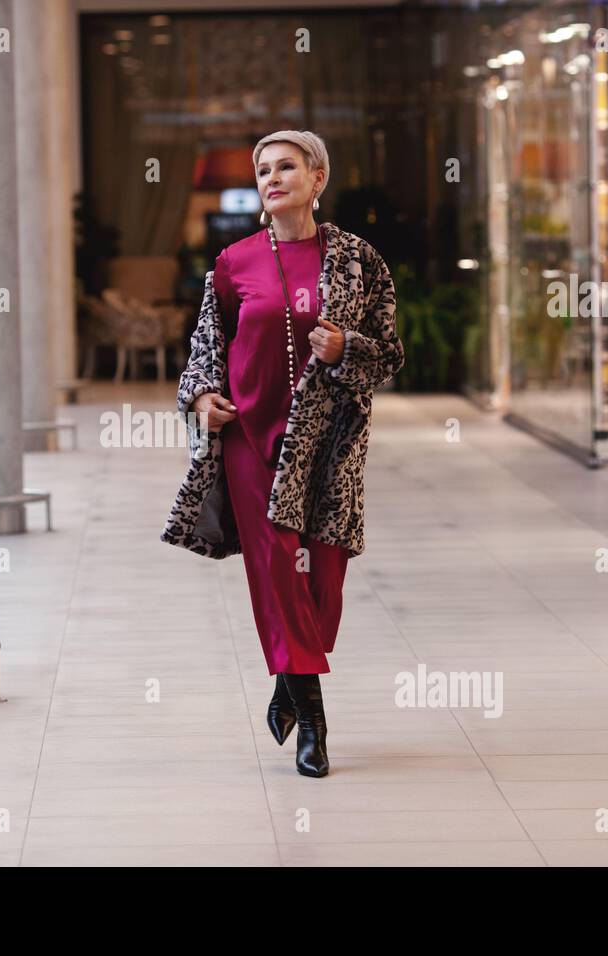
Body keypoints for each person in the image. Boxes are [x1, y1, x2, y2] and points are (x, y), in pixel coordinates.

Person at [163, 129, 404, 777]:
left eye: (286, 167)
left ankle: (288, 679)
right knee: (277, 577)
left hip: (329, 444)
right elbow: (207, 347)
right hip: (250, 440)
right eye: (263, 169)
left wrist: (345, 348)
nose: (272, 178)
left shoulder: (359, 261)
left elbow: (389, 353)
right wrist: (203, 396)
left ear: (317, 178)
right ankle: (314, 725)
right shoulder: (234, 262)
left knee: (322, 581)